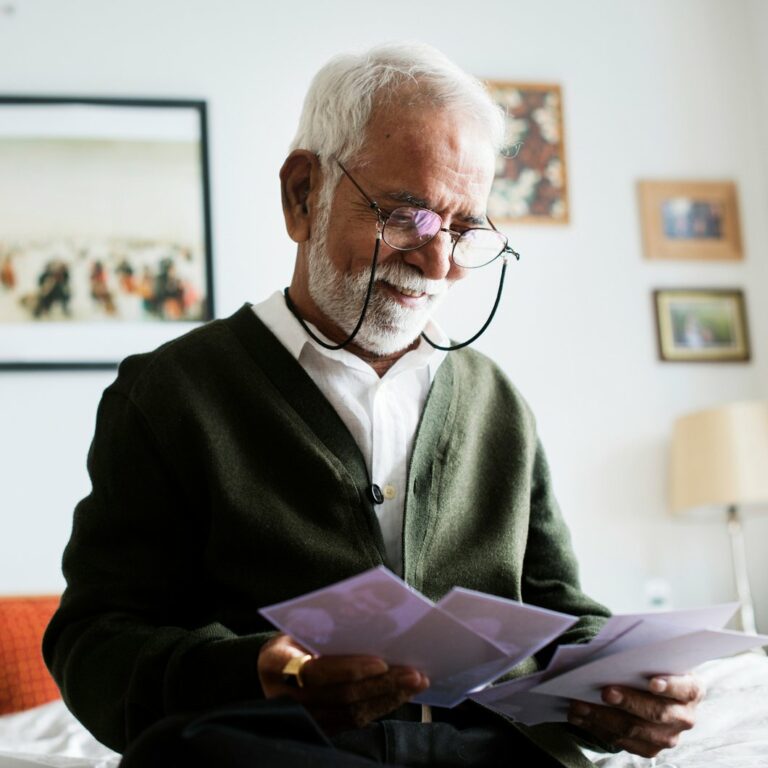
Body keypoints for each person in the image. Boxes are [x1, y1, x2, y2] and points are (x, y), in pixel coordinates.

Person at [43, 43, 702, 767]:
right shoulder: (171, 395)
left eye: (462, 230)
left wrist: (622, 691)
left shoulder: (496, 403)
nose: (438, 263)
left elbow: (555, 615)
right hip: (279, 750)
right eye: (408, 216)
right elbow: (96, 642)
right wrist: (263, 673)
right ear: (303, 195)